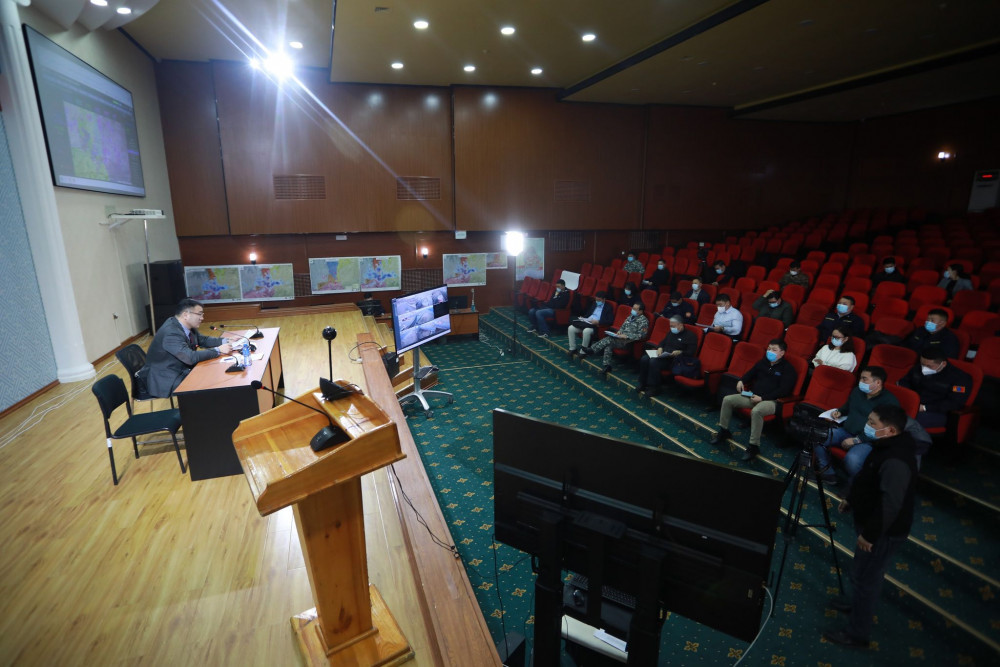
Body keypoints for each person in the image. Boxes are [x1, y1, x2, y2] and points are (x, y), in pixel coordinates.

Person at [824, 404, 917, 650]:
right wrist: (851, 498)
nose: (867, 426)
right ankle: (854, 604)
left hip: (883, 532)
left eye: (873, 423)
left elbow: (891, 504)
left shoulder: (897, 459)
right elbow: (867, 477)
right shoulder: (884, 445)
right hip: (869, 522)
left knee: (868, 580)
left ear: (891, 430)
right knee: (860, 572)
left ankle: (857, 634)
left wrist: (870, 535)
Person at [710, 340, 797, 461]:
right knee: (727, 399)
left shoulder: (788, 369)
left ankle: (753, 446)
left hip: (772, 401)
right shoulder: (763, 362)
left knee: (756, 411)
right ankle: (724, 431)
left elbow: (784, 391)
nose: (770, 352)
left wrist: (762, 398)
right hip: (753, 396)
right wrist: (741, 380)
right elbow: (750, 373)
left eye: (774, 350)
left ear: (782, 353)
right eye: (769, 349)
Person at [813, 367, 900, 483]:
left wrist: (857, 440)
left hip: (868, 440)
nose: (860, 382)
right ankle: (828, 473)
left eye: (864, 379)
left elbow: (883, 431)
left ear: (878, 382)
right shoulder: (857, 391)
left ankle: (856, 485)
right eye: (860, 378)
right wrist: (839, 412)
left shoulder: (890, 402)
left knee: (852, 461)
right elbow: (847, 407)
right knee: (817, 436)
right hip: (846, 431)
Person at [141, 299, 235, 398]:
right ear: (186, 315)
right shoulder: (171, 332)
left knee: (213, 374)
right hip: (167, 377)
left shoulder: (184, 325)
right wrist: (218, 350)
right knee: (210, 382)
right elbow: (189, 357)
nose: (202, 318)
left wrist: (226, 341)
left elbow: (202, 340)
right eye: (199, 314)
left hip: (181, 368)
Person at [898, 350, 973, 429]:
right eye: (922, 364)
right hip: (914, 404)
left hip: (937, 411)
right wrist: (909, 398)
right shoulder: (918, 368)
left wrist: (925, 407)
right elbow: (904, 382)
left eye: (929, 366)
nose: (924, 368)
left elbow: (954, 403)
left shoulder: (960, 378)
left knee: (902, 421)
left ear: (943, 364)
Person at [579, 301, 649, 379]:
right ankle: (607, 366)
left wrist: (627, 336)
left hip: (629, 342)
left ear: (641, 311)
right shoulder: (630, 316)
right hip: (620, 339)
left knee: (609, 340)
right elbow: (623, 327)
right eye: (633, 308)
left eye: (635, 309)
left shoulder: (644, 321)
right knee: (609, 344)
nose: (633, 310)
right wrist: (619, 332)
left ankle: (592, 350)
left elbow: (642, 335)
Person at [635, 315, 698, 397]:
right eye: (670, 326)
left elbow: (690, 352)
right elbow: (662, 342)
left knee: (653, 362)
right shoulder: (671, 332)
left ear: (680, 325)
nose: (671, 328)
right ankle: (642, 383)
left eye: (673, 326)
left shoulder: (690, 336)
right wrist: (660, 348)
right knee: (644, 359)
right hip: (663, 355)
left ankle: (654, 387)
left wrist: (680, 352)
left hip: (675, 360)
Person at [567, 291, 615, 357]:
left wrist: (598, 322)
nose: (597, 301)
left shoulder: (608, 307)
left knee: (586, 331)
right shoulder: (594, 304)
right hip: (587, 322)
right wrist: (583, 318)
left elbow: (610, 321)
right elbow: (588, 314)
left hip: (596, 326)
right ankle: (572, 348)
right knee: (571, 328)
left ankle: (583, 351)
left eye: (599, 300)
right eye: (596, 300)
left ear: (604, 299)